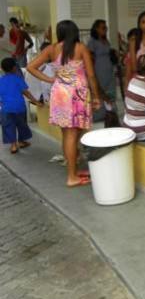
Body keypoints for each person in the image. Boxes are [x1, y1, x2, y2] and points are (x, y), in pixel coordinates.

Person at [27, 20, 101, 187]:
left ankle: (73, 170)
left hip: (60, 93)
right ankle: (71, 177)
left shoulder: (51, 49)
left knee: (68, 134)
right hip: (77, 94)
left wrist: (51, 79)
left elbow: (31, 67)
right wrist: (96, 96)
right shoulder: (80, 48)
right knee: (73, 134)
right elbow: (91, 75)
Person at [0, 57, 41, 154]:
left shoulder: (1, 80)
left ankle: (13, 146)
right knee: (22, 125)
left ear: (2, 69)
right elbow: (26, 92)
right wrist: (36, 101)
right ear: (15, 68)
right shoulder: (18, 79)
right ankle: (21, 142)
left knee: (8, 126)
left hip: (6, 109)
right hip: (19, 108)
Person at [87, 19, 117, 121]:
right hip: (99, 72)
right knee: (100, 92)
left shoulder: (106, 41)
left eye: (106, 27)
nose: (105, 29)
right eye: (102, 27)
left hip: (109, 72)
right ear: (96, 29)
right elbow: (90, 60)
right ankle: (99, 115)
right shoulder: (92, 42)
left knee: (110, 92)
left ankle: (110, 114)